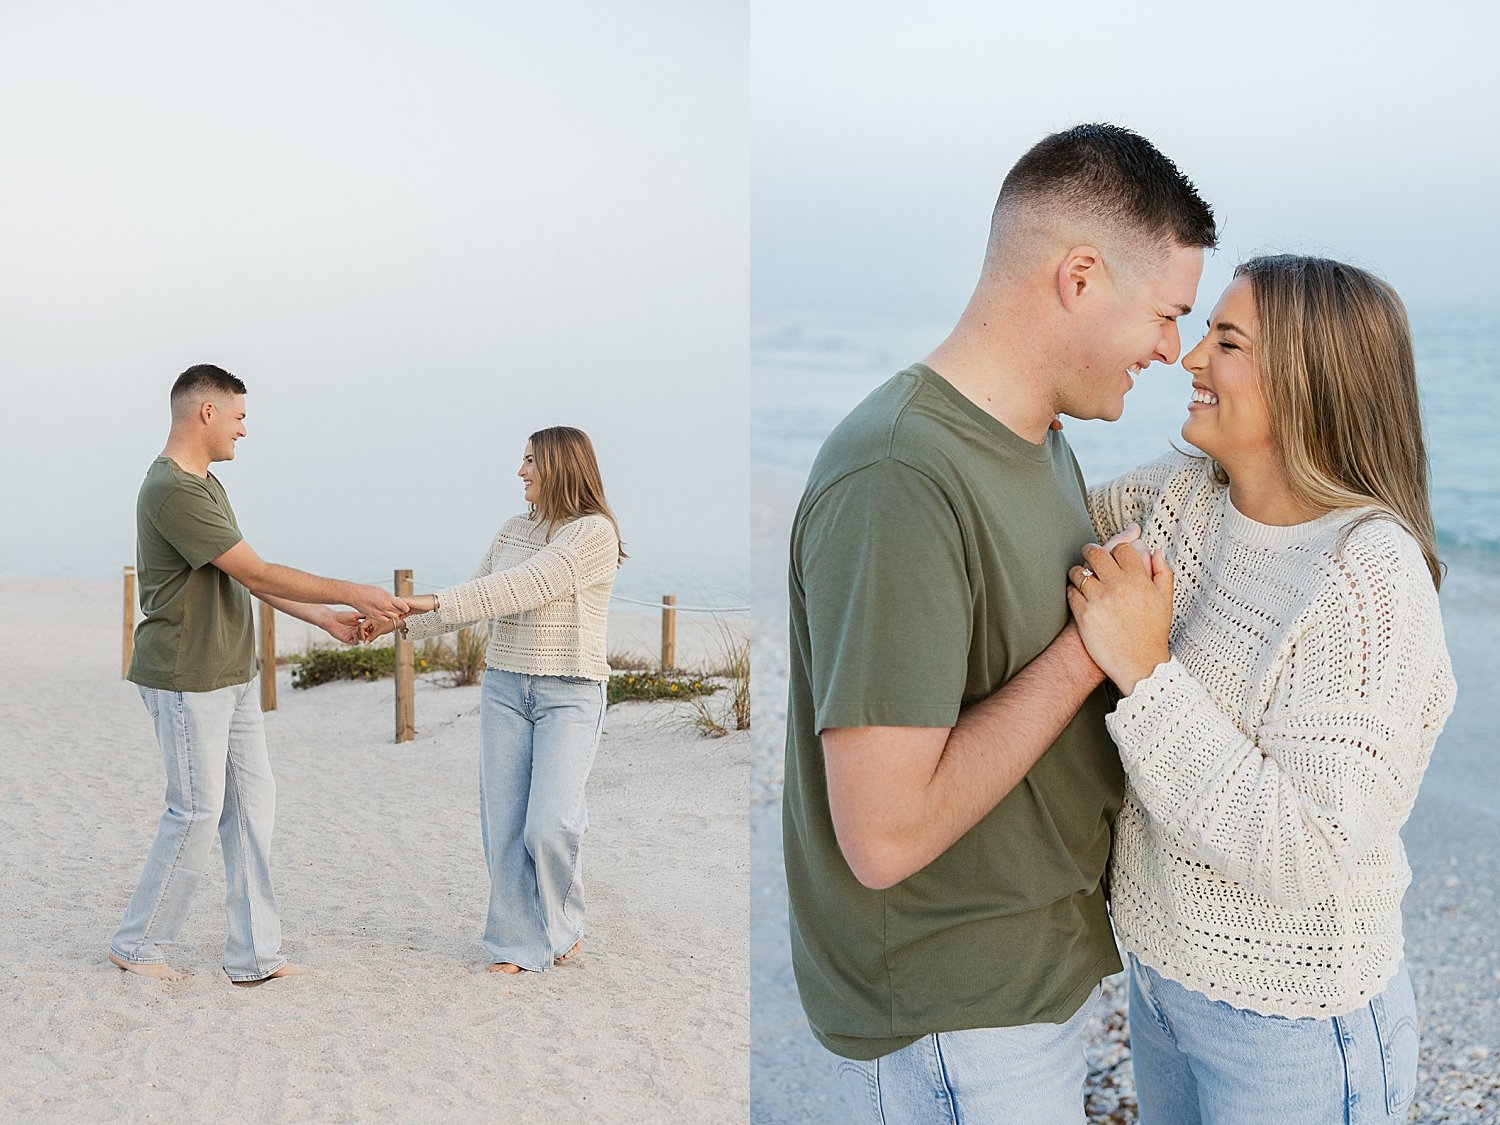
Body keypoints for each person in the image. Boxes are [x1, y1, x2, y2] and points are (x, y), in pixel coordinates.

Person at [782, 123, 1216, 1120]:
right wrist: (1089, 651)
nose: (1173, 349)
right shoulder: (899, 474)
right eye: (1164, 314)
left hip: (1022, 985)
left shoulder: (1037, 441)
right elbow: (882, 837)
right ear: (1078, 277)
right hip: (950, 1018)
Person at [1067, 256, 1456, 1123]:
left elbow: (1302, 848)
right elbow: (1041, 531)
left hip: (1300, 1032)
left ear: (1310, 381)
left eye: (1226, 339)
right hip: (1163, 987)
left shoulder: (1369, 577)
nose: (1190, 357)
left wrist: (1145, 669)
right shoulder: (1185, 497)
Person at [110, 364, 410, 984]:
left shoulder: (205, 483)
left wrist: (326, 618)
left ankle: (253, 955)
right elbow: (260, 571)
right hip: (187, 673)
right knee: (194, 810)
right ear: (207, 413)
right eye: (240, 416)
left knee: (251, 809)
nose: (245, 430)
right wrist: (351, 588)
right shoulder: (173, 489)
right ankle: (138, 945)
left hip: (231, 670)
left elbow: (238, 574)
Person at [364, 426, 623, 974]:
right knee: (504, 826)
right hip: (506, 687)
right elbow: (474, 598)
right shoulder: (512, 531)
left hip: (570, 693)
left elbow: (524, 586)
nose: (521, 471)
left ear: (560, 466)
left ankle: (564, 920)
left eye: (530, 461)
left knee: (548, 825)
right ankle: (517, 945)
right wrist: (389, 622)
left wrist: (417, 599)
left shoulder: (593, 534)